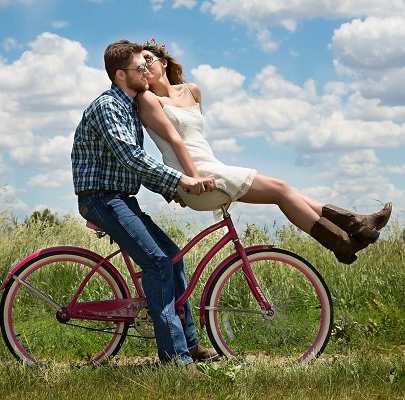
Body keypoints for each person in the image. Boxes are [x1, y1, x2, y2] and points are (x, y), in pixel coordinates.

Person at [137, 38, 392, 265]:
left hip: (210, 167)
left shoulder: (192, 91)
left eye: (148, 60)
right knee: (281, 190)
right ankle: (345, 238)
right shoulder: (149, 100)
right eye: (139, 66)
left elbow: (196, 139)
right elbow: (176, 142)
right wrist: (189, 180)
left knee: (285, 190)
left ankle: (353, 228)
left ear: (163, 62)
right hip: (196, 177)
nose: (144, 67)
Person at [71, 40, 220, 371]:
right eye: (141, 68)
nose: (147, 72)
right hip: (101, 198)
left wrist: (172, 191)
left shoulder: (129, 109)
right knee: (158, 265)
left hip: (121, 198)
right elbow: (132, 157)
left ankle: (190, 345)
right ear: (122, 74)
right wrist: (181, 180)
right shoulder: (108, 107)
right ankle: (176, 360)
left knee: (174, 259)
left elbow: (133, 166)